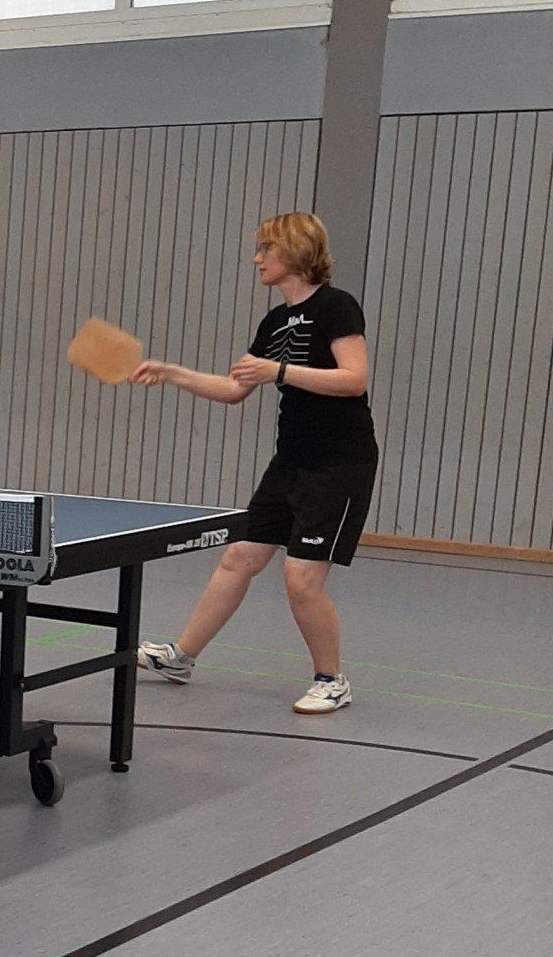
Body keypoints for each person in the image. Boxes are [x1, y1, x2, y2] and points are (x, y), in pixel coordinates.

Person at [131, 211, 378, 714]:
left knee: (301, 579)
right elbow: (233, 389)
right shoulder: (274, 321)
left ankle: (332, 681)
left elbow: (354, 380)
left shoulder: (337, 307)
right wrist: (171, 372)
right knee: (239, 557)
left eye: (267, 249)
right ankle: (181, 657)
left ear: (295, 252)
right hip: (290, 461)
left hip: (338, 464)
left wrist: (279, 371)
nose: (257, 258)